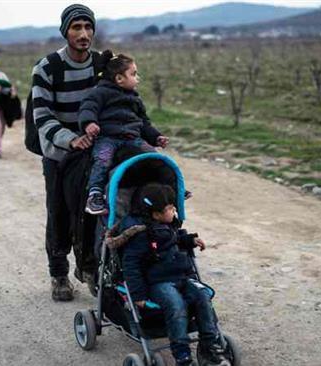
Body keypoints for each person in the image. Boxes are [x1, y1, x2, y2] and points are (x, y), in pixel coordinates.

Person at [31, 3, 100, 301]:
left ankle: (91, 270)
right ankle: (58, 273)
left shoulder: (101, 65)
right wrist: (71, 140)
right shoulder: (47, 68)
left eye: (88, 27)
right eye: (76, 27)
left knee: (96, 212)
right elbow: (42, 116)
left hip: (95, 153)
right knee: (59, 212)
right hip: (60, 153)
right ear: (65, 31)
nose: (83, 34)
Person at [122, 183, 230, 366]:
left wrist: (190, 240)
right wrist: (138, 294)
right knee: (176, 306)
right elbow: (130, 264)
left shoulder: (169, 226)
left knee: (203, 296)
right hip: (159, 282)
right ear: (155, 214)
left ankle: (210, 345)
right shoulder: (141, 235)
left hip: (182, 277)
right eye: (170, 208)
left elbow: (175, 240)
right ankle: (182, 354)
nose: (174, 211)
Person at [78, 51, 169, 215]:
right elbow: (88, 108)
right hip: (108, 138)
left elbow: (144, 123)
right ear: (119, 79)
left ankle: (168, 187)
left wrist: (156, 137)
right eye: (133, 74)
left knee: (154, 157)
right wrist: (89, 123)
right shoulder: (100, 92)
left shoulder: (135, 99)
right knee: (102, 160)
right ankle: (95, 195)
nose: (137, 78)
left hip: (132, 138)